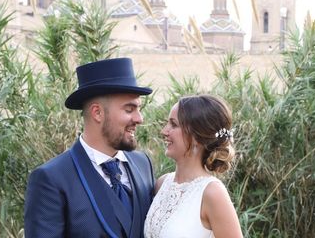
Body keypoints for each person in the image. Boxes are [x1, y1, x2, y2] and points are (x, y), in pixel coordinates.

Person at [24, 57, 155, 238]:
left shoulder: (143, 165)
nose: (139, 119)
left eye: (138, 109)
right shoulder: (52, 179)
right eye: (129, 109)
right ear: (97, 113)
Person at [144, 94, 243, 238]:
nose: (164, 131)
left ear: (197, 136)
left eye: (174, 124)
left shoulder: (212, 193)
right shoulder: (162, 183)